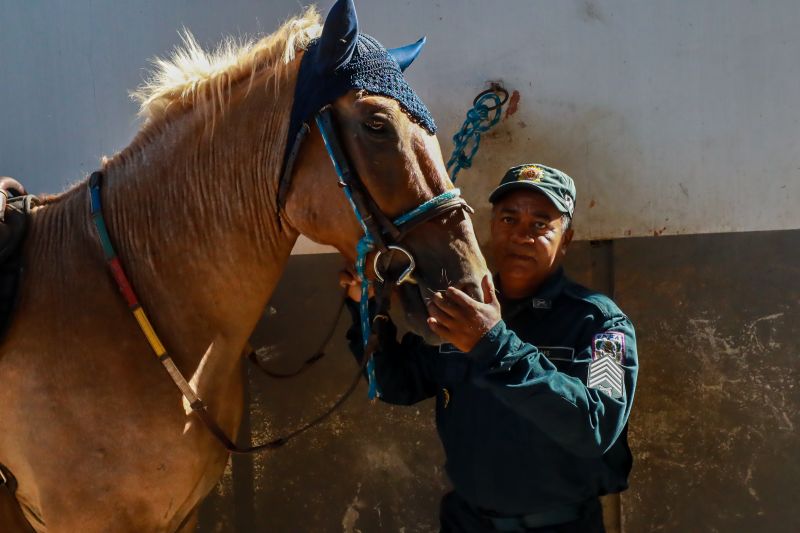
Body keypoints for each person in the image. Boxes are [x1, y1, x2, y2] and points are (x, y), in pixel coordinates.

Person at [340, 164, 638, 532]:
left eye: (540, 224)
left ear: (567, 240)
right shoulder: (460, 308)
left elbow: (596, 425)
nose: (521, 235)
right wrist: (368, 306)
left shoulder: (602, 325)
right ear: (491, 227)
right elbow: (393, 384)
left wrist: (493, 345)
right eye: (509, 219)